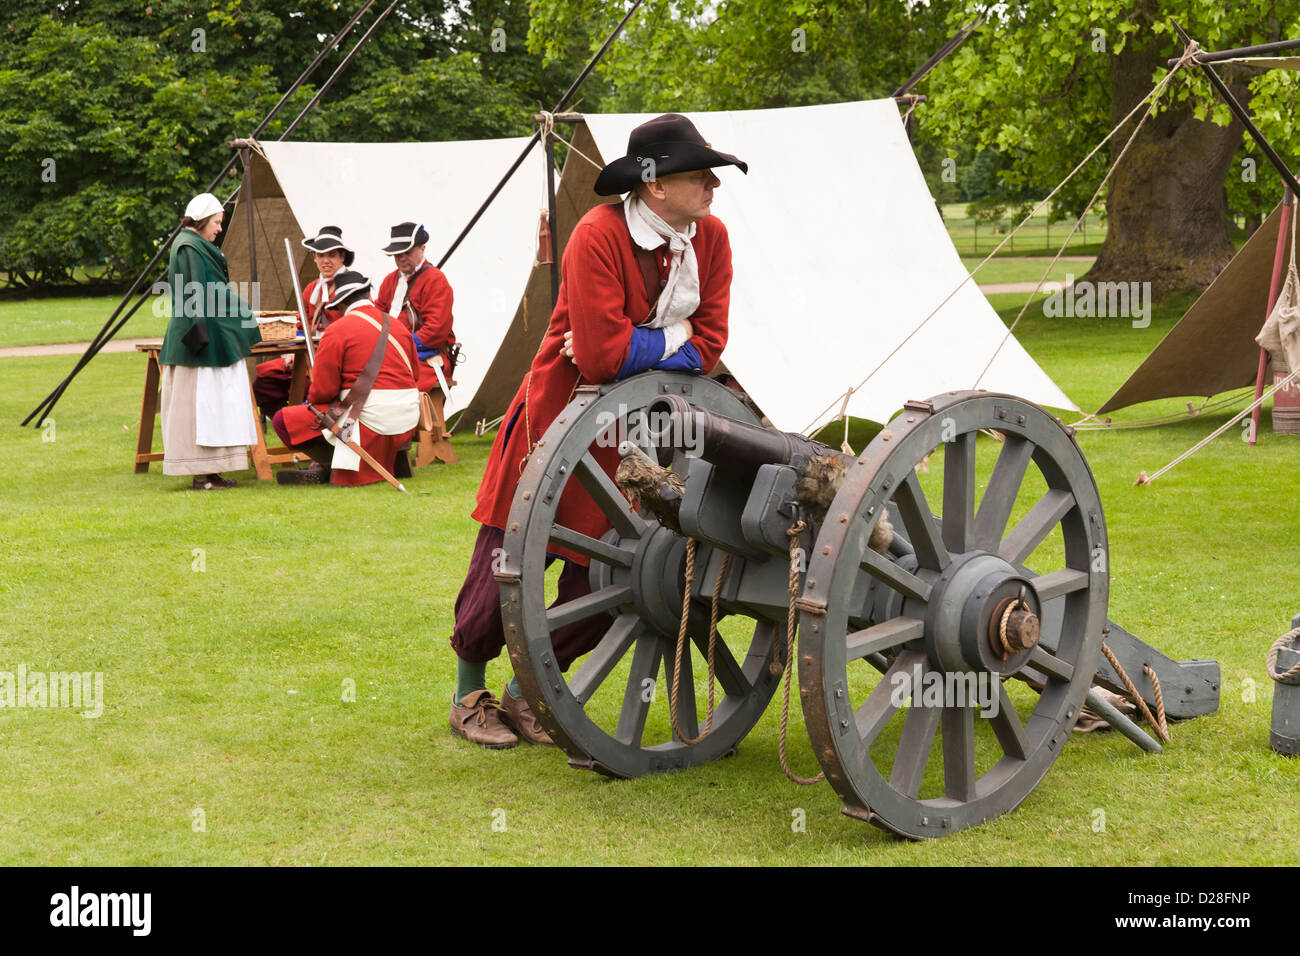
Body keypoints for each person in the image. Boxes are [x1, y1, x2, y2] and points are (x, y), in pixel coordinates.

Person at [447, 113, 747, 748]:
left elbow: (712, 345)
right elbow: (600, 357)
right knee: (508, 556)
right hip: (558, 414)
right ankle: (467, 691)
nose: (713, 189)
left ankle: (526, 694)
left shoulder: (712, 239)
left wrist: (651, 345)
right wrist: (674, 340)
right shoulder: (597, 235)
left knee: (610, 575)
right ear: (656, 185)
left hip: (642, 430)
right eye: (700, 177)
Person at [271, 270, 420, 486]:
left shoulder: (337, 330)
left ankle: (334, 462)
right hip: (407, 418)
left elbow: (323, 390)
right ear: (367, 295)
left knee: (283, 420)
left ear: (340, 305)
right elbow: (415, 374)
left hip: (368, 420)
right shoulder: (398, 325)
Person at [158, 192, 262, 490]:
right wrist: (243, 314)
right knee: (200, 407)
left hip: (206, 333)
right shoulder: (190, 246)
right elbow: (201, 293)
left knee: (214, 404)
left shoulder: (194, 244)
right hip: (199, 340)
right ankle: (202, 474)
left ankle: (212, 471)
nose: (219, 229)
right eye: (217, 222)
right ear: (203, 220)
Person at [253, 226, 353, 421]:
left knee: (311, 389)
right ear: (314, 258)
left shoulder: (352, 287)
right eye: (320, 255)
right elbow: (300, 326)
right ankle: (286, 422)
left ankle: (305, 424)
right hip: (308, 356)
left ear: (342, 257)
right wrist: (291, 351)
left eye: (331, 255)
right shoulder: (311, 289)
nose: (325, 260)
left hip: (337, 359)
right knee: (264, 384)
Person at [374, 221, 457, 393]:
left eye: (407, 252)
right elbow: (376, 317)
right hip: (392, 356)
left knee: (396, 387)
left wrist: (400, 347)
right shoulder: (389, 281)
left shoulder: (435, 280)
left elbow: (435, 330)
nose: (401, 258)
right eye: (397, 254)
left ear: (422, 248)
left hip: (424, 360)